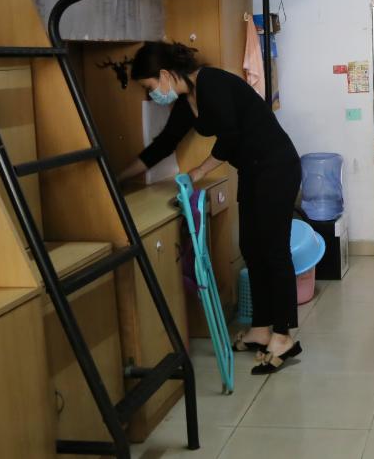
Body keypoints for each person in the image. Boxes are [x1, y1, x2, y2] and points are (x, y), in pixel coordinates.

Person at [119, 41, 302, 374]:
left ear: (163, 74)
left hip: (277, 166)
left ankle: (284, 334)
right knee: (252, 247)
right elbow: (163, 146)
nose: (151, 96)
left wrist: (199, 171)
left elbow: (229, 136)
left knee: (274, 250)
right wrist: (117, 178)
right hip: (252, 170)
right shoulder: (187, 102)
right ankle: (261, 327)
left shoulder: (212, 83)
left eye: (149, 88)